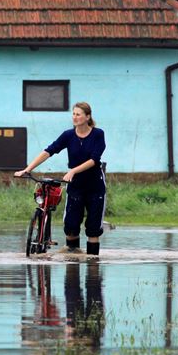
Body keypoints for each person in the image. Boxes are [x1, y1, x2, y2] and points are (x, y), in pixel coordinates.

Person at [14, 102, 106, 256]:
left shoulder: (98, 134)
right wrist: (28, 169)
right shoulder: (68, 135)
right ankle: (72, 268)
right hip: (75, 185)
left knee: (93, 228)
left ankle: (93, 270)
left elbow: (94, 160)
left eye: (78, 114)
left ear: (87, 116)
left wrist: (73, 171)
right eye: (73, 114)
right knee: (71, 226)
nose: (75, 117)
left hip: (95, 185)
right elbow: (49, 151)